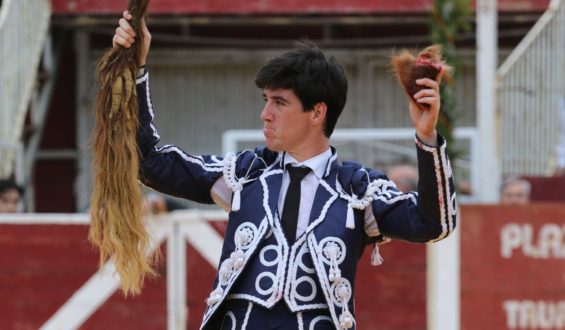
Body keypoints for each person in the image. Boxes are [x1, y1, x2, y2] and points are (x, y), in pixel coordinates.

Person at [113, 10, 457, 330]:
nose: (265, 114)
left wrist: (426, 137)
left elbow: (434, 223)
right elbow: (150, 162)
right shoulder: (247, 173)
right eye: (266, 100)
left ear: (317, 112)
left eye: (279, 102)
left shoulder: (357, 188)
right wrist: (136, 69)